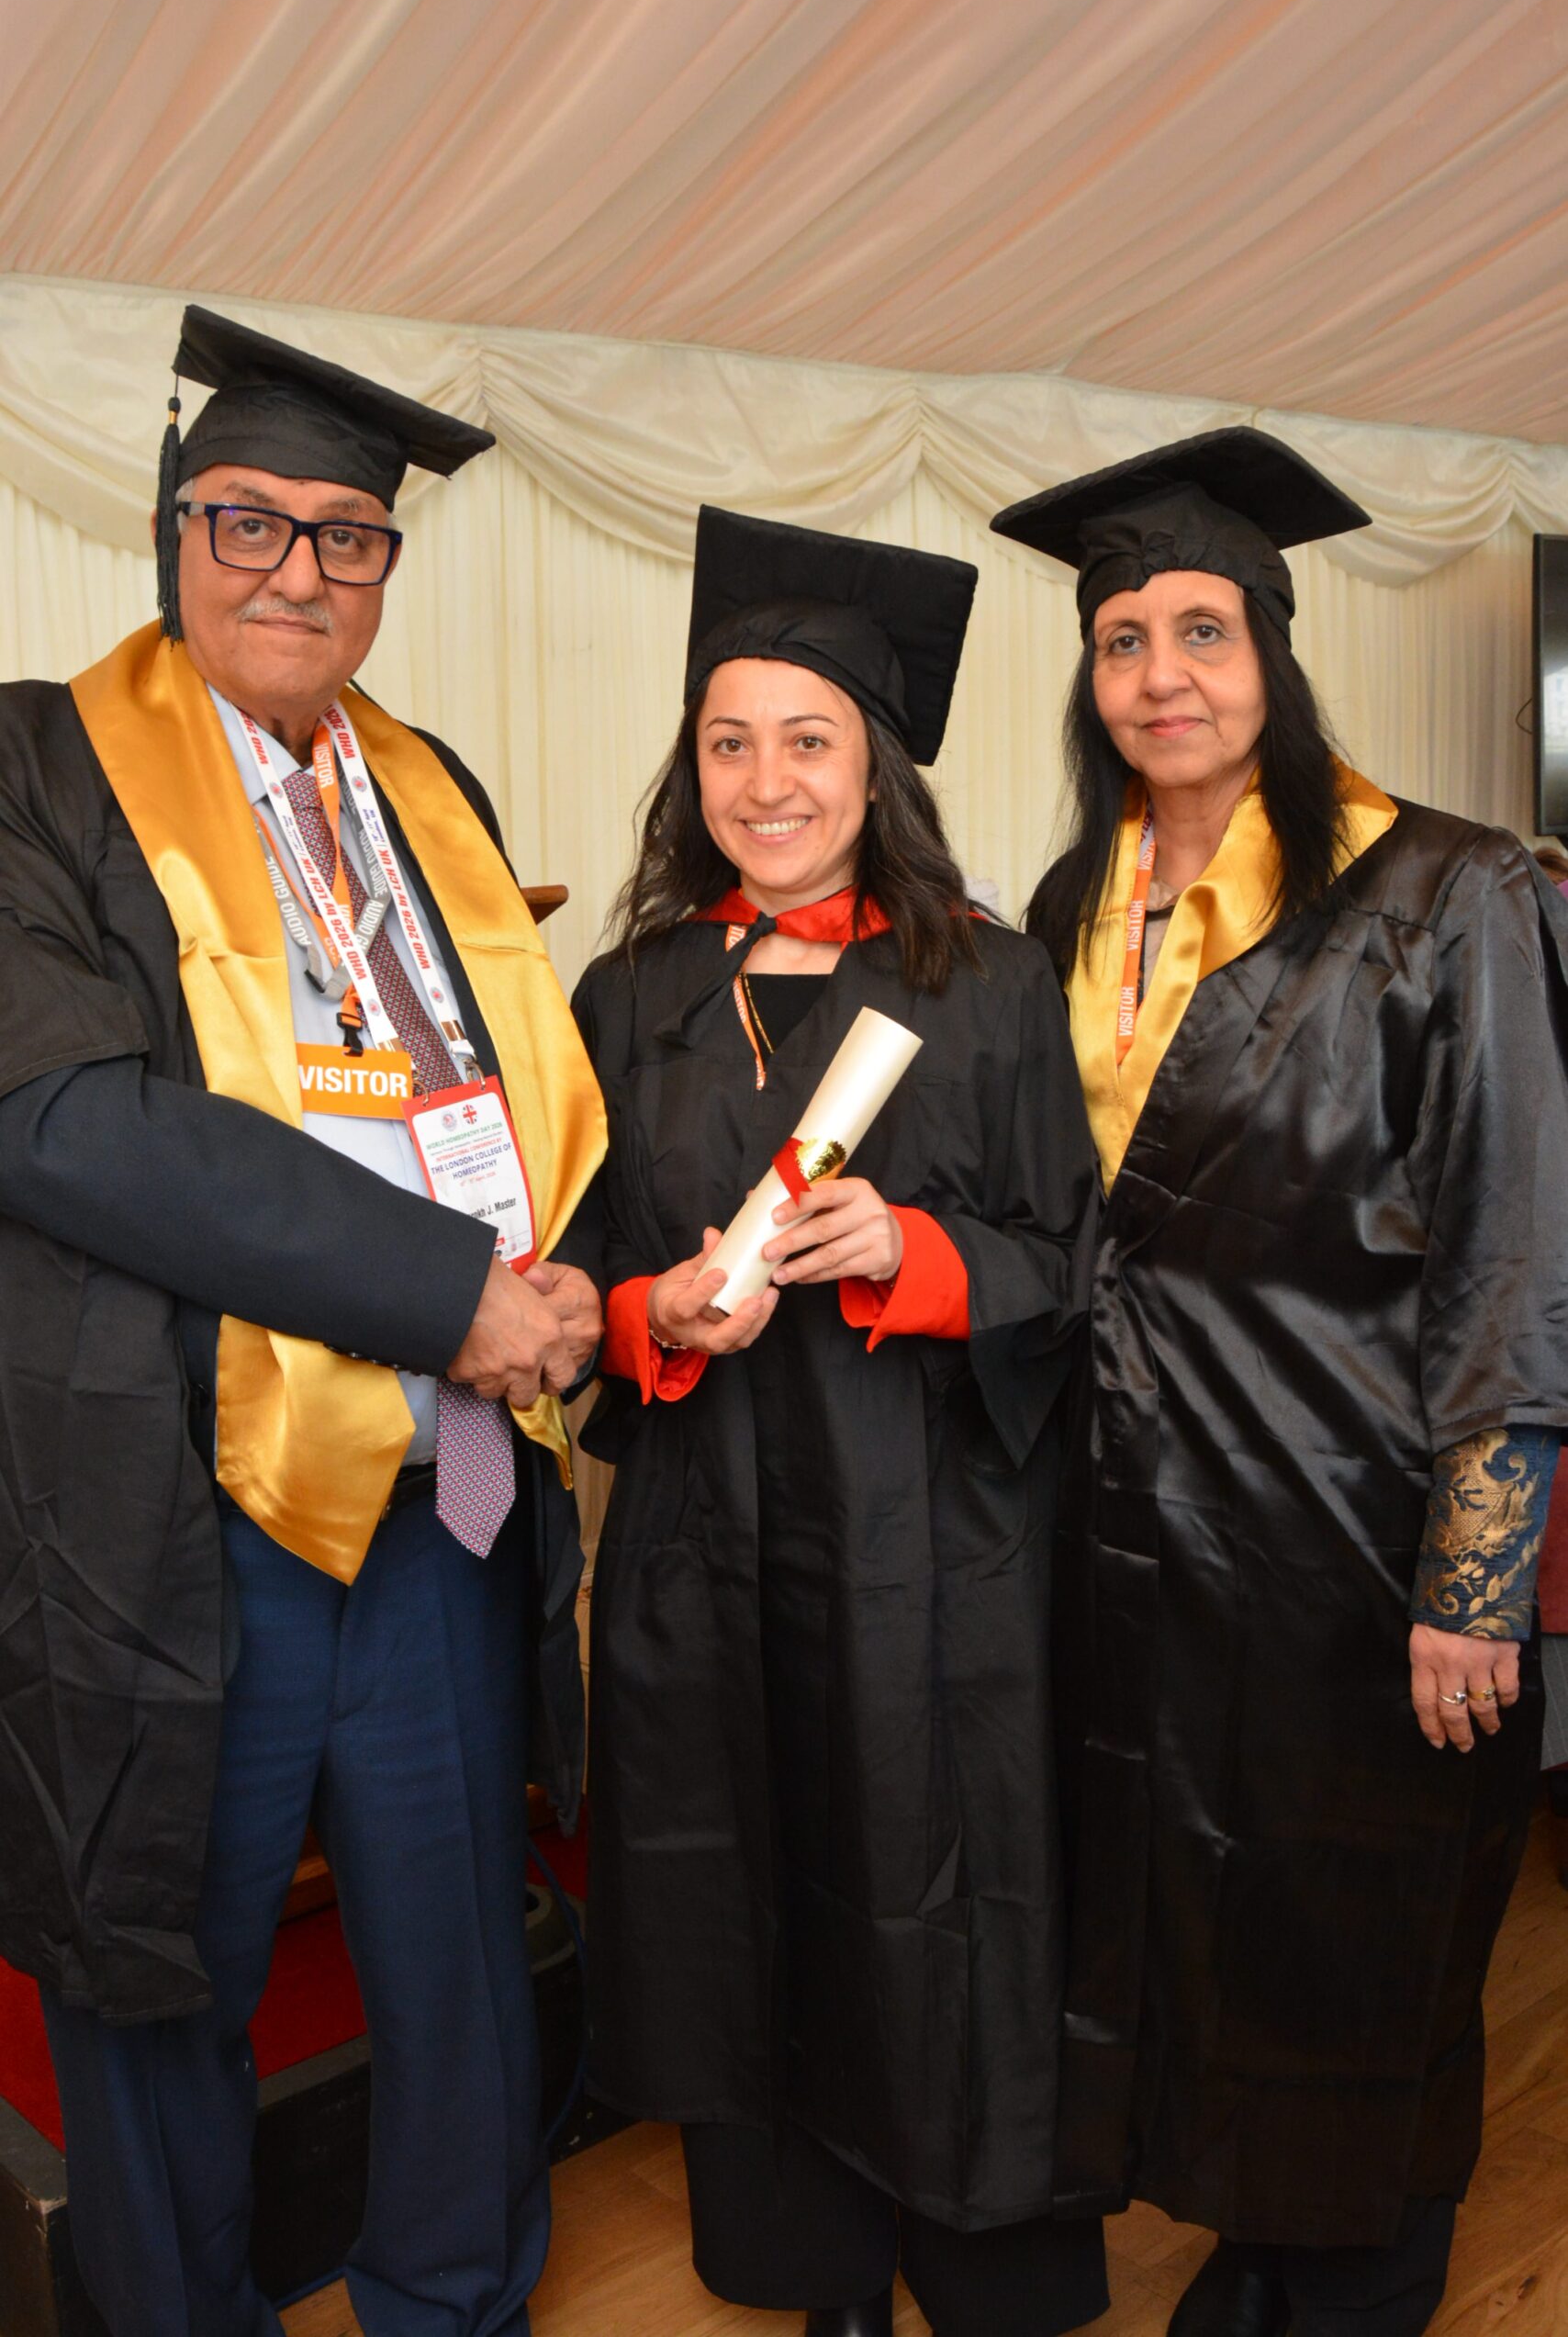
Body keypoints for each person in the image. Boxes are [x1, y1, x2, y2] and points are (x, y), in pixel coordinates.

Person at [0, 306, 606, 2337]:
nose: (294, 570)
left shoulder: (433, 788)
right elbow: (69, 1122)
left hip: (439, 1505)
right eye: (245, 520)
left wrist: (568, 1271)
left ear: (383, 570)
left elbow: (503, 1087)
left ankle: (453, 2295)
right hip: (177, 1519)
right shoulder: (32, 766)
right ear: (171, 532)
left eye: (345, 535)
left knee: (453, 1957)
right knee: (157, 1973)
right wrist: (453, 1293)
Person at [989, 428, 1568, 2337]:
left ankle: (1351, 2288)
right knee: (1193, 1930)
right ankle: (1257, 2257)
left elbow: (1514, 1248)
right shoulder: (1069, 900)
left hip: (1350, 1536)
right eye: (1123, 638)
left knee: (1357, 1947)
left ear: (1274, 655)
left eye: (1203, 631)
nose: (1161, 674)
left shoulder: (1447, 889)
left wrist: (1474, 1578)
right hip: (1134, 1540)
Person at [569, 508, 1108, 2337]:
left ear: (876, 766)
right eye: (729, 742)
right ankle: (814, 2277)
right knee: (740, 1896)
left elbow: (1071, 1260)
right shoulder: (633, 991)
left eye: (808, 739)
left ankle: (980, 2261)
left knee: (933, 1893)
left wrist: (919, 1252)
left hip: (928, 1554)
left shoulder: (988, 982)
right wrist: (651, 1314)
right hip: (705, 1546)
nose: (766, 780)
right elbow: (576, 1272)